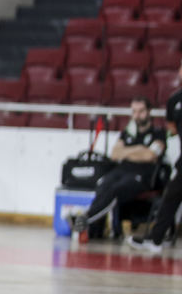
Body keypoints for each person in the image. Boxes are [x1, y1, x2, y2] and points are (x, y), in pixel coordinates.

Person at [72, 96, 166, 241]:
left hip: (141, 175)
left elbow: (150, 155)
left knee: (117, 189)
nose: (137, 115)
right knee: (103, 184)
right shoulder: (127, 133)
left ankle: (86, 218)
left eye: (141, 111)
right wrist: (139, 149)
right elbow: (115, 154)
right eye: (134, 111)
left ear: (149, 112)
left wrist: (127, 152)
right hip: (121, 171)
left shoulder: (158, 133)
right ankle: (94, 229)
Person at [127, 65, 182, 253]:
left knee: (172, 196)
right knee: (171, 197)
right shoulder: (175, 100)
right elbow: (172, 128)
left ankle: (156, 238)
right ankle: (155, 239)